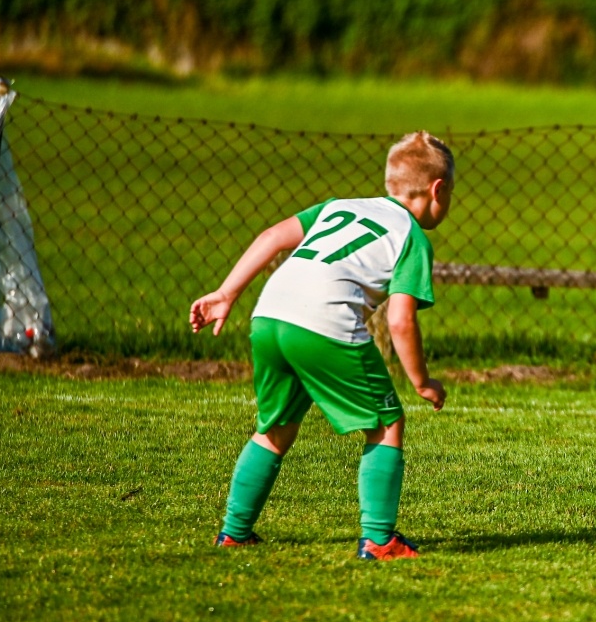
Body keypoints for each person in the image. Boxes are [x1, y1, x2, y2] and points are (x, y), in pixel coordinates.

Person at [189, 131, 453, 558]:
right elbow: (401, 321)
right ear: (437, 189)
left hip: (270, 315)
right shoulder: (413, 238)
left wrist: (226, 294)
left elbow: (273, 236)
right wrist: (422, 381)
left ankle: (234, 532)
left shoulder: (341, 207)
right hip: (325, 320)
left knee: (275, 426)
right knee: (386, 423)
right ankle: (380, 539)